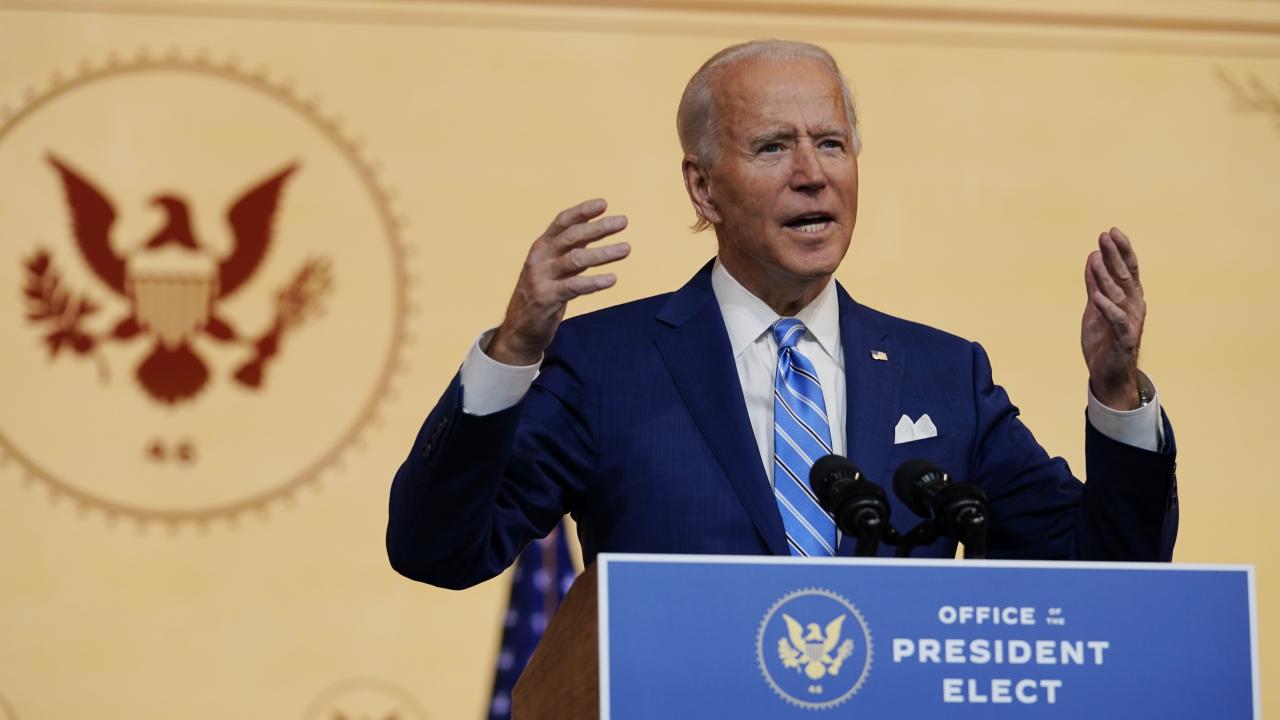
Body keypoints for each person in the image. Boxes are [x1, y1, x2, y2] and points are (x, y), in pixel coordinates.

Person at [387, 40, 1177, 590]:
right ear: (703, 189)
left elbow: (1106, 569)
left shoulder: (944, 374)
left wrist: (1117, 395)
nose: (812, 175)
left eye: (832, 144)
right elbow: (440, 550)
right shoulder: (605, 366)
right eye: (773, 147)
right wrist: (512, 351)